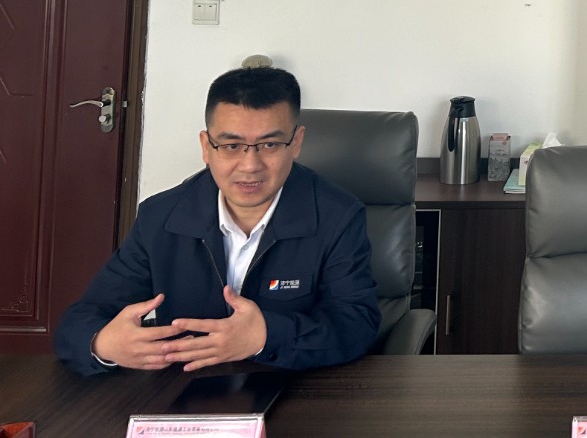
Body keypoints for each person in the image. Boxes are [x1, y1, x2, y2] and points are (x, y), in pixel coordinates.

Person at [55, 66, 380, 376]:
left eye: (269, 144)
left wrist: (266, 337)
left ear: (295, 143)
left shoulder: (338, 216)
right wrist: (103, 344)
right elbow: (79, 322)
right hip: (187, 389)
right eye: (231, 145)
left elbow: (356, 326)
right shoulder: (160, 217)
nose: (250, 165)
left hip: (293, 385)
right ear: (206, 146)